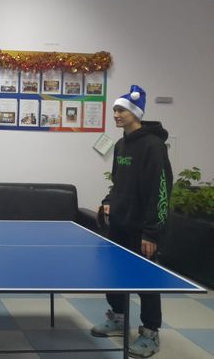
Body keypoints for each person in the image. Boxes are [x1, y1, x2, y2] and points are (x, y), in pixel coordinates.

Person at [91, 84, 172, 358]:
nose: (116, 114)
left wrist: (152, 232)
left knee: (146, 281)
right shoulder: (121, 145)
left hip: (142, 227)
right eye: (114, 110)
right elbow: (118, 183)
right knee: (114, 275)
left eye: (121, 110)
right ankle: (118, 318)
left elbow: (160, 190)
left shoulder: (153, 146)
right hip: (119, 224)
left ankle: (150, 332)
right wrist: (108, 200)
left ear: (136, 113)